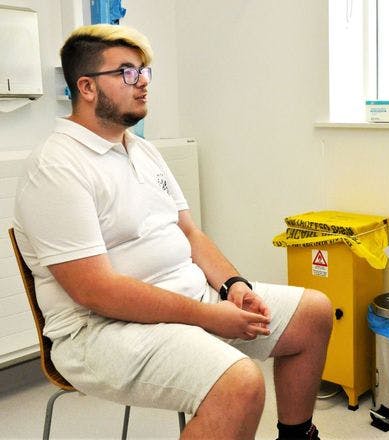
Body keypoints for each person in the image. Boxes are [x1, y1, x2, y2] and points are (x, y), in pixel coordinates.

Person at [13, 24, 333, 440]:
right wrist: (209, 316)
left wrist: (233, 285)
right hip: (100, 331)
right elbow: (95, 291)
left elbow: (190, 234)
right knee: (239, 383)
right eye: (127, 72)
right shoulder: (56, 167)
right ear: (87, 87)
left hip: (188, 299)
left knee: (314, 312)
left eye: (145, 70)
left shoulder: (141, 149)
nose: (143, 82)